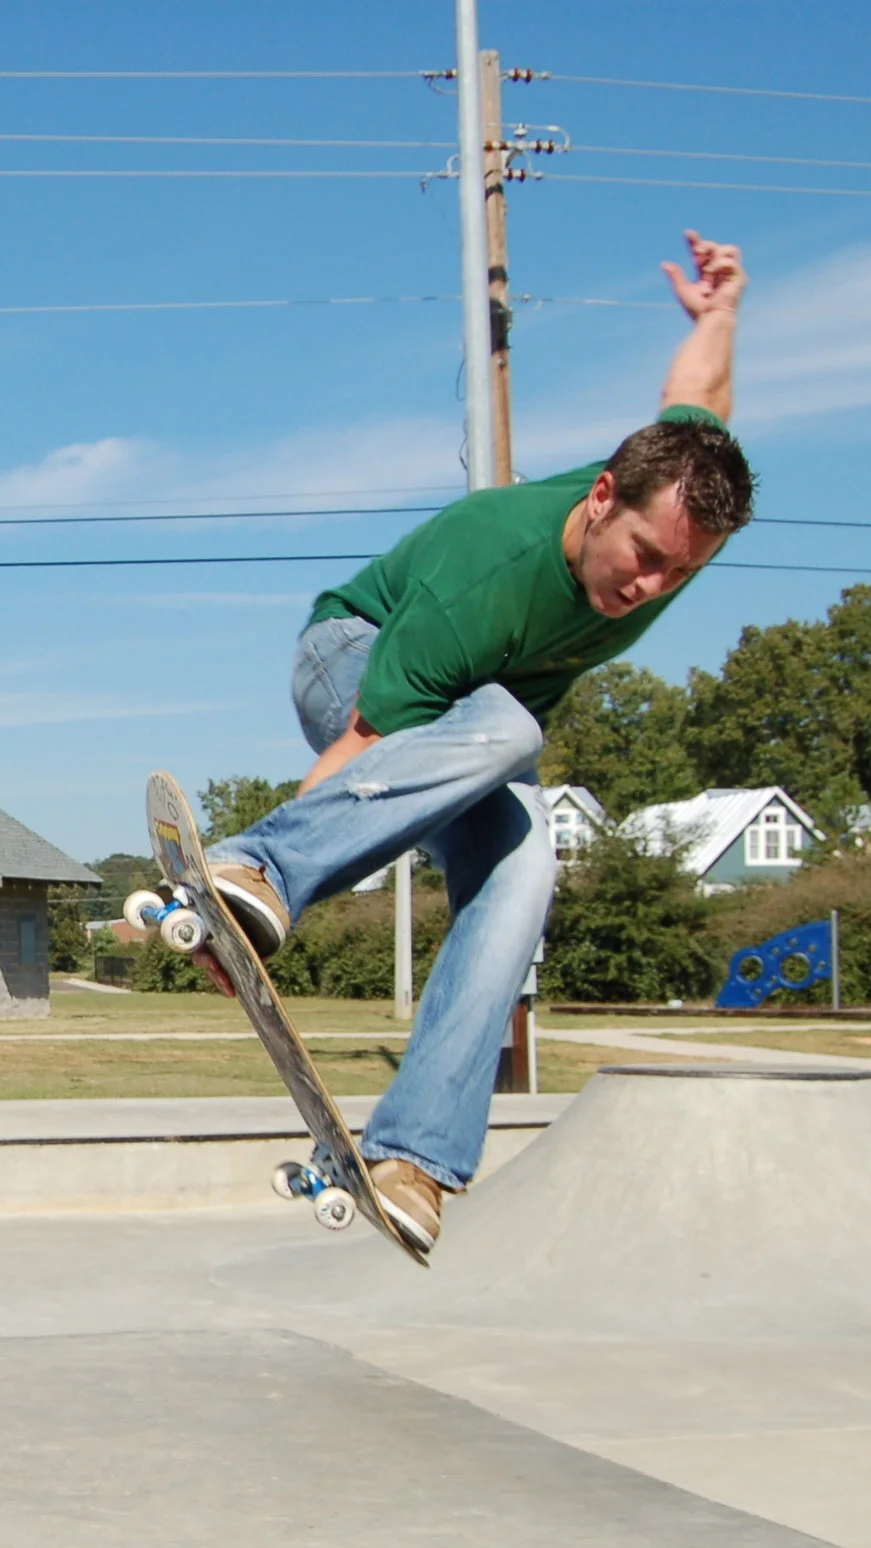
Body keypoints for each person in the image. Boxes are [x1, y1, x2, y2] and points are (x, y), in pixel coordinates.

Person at [195, 229, 755, 1253]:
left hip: (462, 734)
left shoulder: (669, 499)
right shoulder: (483, 570)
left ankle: (415, 1154)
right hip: (350, 662)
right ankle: (258, 862)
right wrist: (248, 895)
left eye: (677, 574)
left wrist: (717, 313)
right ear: (599, 499)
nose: (648, 589)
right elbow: (366, 738)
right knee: (505, 727)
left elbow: (699, 404)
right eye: (641, 560)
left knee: (527, 860)